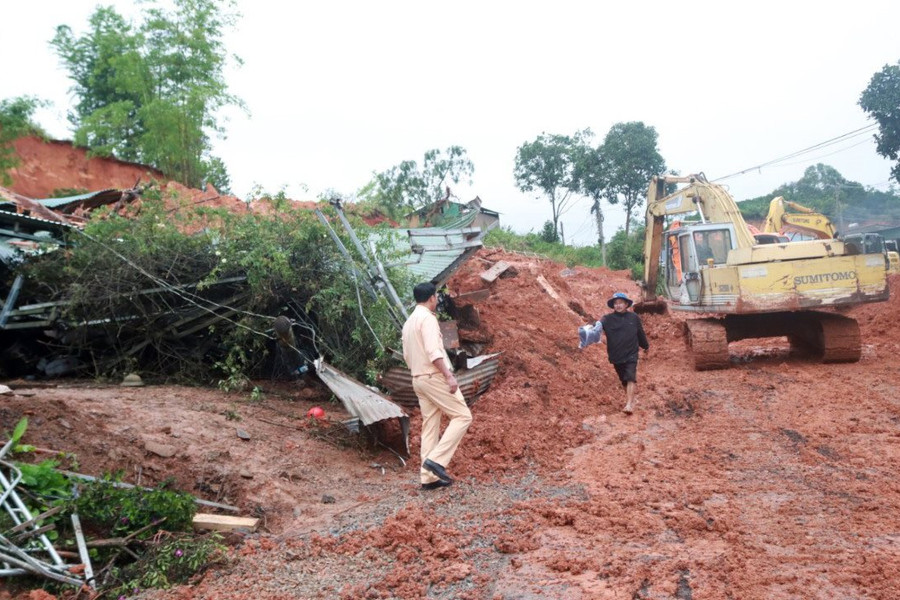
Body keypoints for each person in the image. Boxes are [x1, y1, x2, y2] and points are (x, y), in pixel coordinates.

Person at [401, 282, 473, 490]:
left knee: (430, 424)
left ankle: (428, 478)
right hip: (433, 377)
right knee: (463, 416)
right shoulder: (428, 320)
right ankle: (437, 461)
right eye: (436, 298)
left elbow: (407, 356)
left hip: (418, 379)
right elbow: (434, 352)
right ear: (432, 298)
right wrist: (448, 376)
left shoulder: (409, 322)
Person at [600, 292, 649, 415]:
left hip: (631, 353)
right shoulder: (607, 319)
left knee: (630, 377)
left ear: (626, 304)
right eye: (616, 303)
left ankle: (629, 405)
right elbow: (596, 329)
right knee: (624, 380)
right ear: (613, 306)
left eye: (621, 303)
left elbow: (640, 333)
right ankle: (631, 399)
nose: (618, 305)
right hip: (616, 355)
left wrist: (645, 346)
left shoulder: (634, 317)